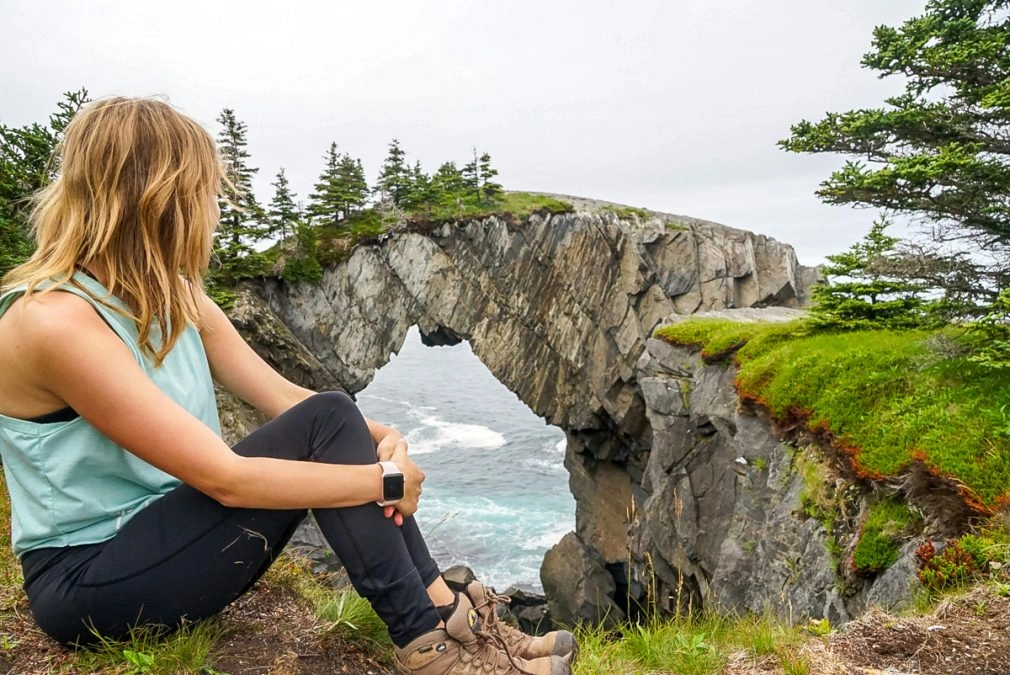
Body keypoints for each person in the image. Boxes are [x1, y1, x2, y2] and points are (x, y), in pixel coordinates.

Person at [0, 97, 576, 675]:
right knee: (331, 426)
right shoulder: (52, 323)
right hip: (91, 582)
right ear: (159, 199)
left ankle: (447, 617)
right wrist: (386, 479)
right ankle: (432, 648)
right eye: (206, 192)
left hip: (173, 540)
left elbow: (289, 402)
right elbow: (224, 479)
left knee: (332, 414)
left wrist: (387, 438)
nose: (216, 210)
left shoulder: (176, 296)